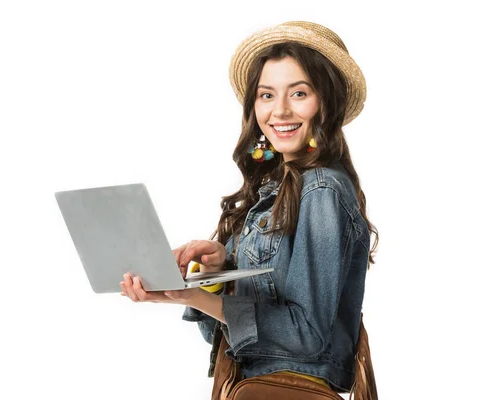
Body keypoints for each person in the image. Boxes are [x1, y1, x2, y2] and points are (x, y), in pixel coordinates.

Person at [120, 21, 378, 399]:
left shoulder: (322, 190)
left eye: (300, 93)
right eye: (267, 95)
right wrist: (215, 274)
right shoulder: (271, 192)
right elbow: (224, 336)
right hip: (246, 384)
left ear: (327, 102)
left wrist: (192, 297)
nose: (280, 111)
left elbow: (307, 336)